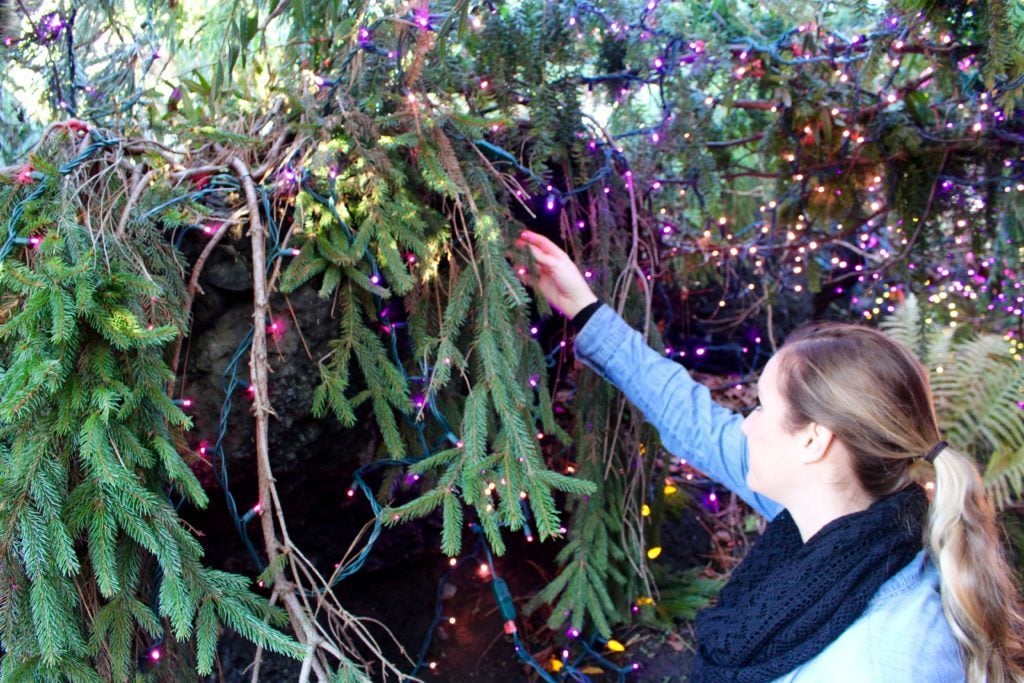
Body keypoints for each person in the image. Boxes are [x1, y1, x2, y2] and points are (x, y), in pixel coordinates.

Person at [516, 230, 1024, 682]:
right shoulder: (851, 522)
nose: (745, 422)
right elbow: (692, 421)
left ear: (814, 441)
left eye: (762, 407)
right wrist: (584, 309)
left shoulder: (877, 662)